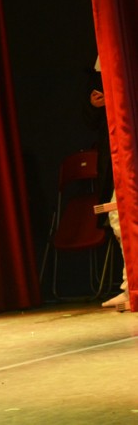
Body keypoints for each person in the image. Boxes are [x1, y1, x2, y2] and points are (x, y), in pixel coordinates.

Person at [84, 55, 129, 311]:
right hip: (115, 155)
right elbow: (91, 122)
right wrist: (95, 106)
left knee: (124, 216)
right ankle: (130, 284)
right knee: (118, 217)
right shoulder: (98, 74)